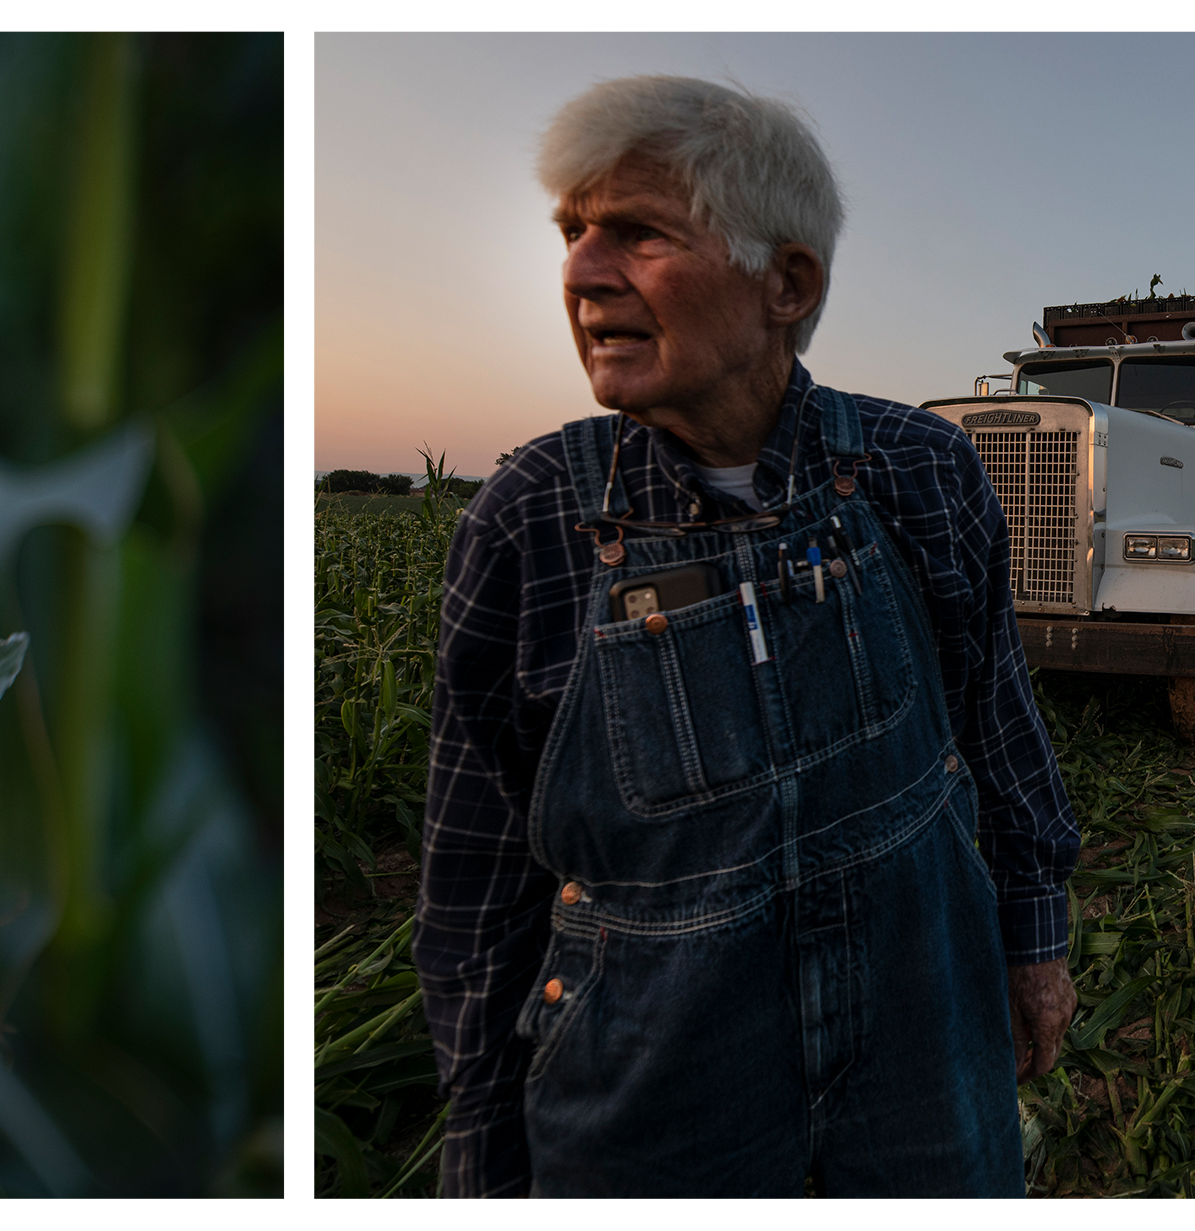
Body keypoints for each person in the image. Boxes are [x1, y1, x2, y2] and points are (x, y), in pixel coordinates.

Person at [420, 76, 1079, 1198]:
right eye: (573, 232)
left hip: (922, 1040)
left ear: (787, 280)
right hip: (654, 1088)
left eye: (637, 233)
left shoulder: (919, 471)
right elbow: (477, 879)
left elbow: (999, 732)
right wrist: (480, 1145)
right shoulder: (531, 520)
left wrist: (1034, 939)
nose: (581, 271)